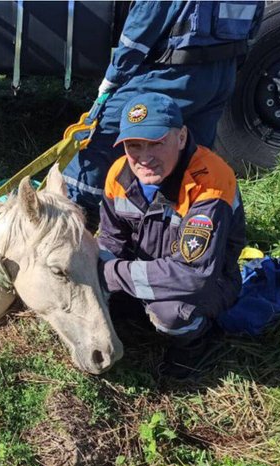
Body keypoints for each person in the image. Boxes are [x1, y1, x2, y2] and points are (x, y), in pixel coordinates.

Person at [63, 0, 264, 230]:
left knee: (104, 132)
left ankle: (73, 215)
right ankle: (190, 223)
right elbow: (254, 22)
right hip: (222, 73)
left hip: (175, 73)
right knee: (191, 151)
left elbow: (143, 25)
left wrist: (114, 76)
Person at [98, 92, 246, 379]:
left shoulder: (210, 182)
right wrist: (98, 273)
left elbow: (194, 275)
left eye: (156, 143)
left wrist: (114, 275)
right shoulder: (118, 174)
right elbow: (110, 240)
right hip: (145, 269)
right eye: (134, 146)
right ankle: (138, 312)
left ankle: (193, 344)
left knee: (170, 312)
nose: (144, 158)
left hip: (209, 280)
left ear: (181, 137)